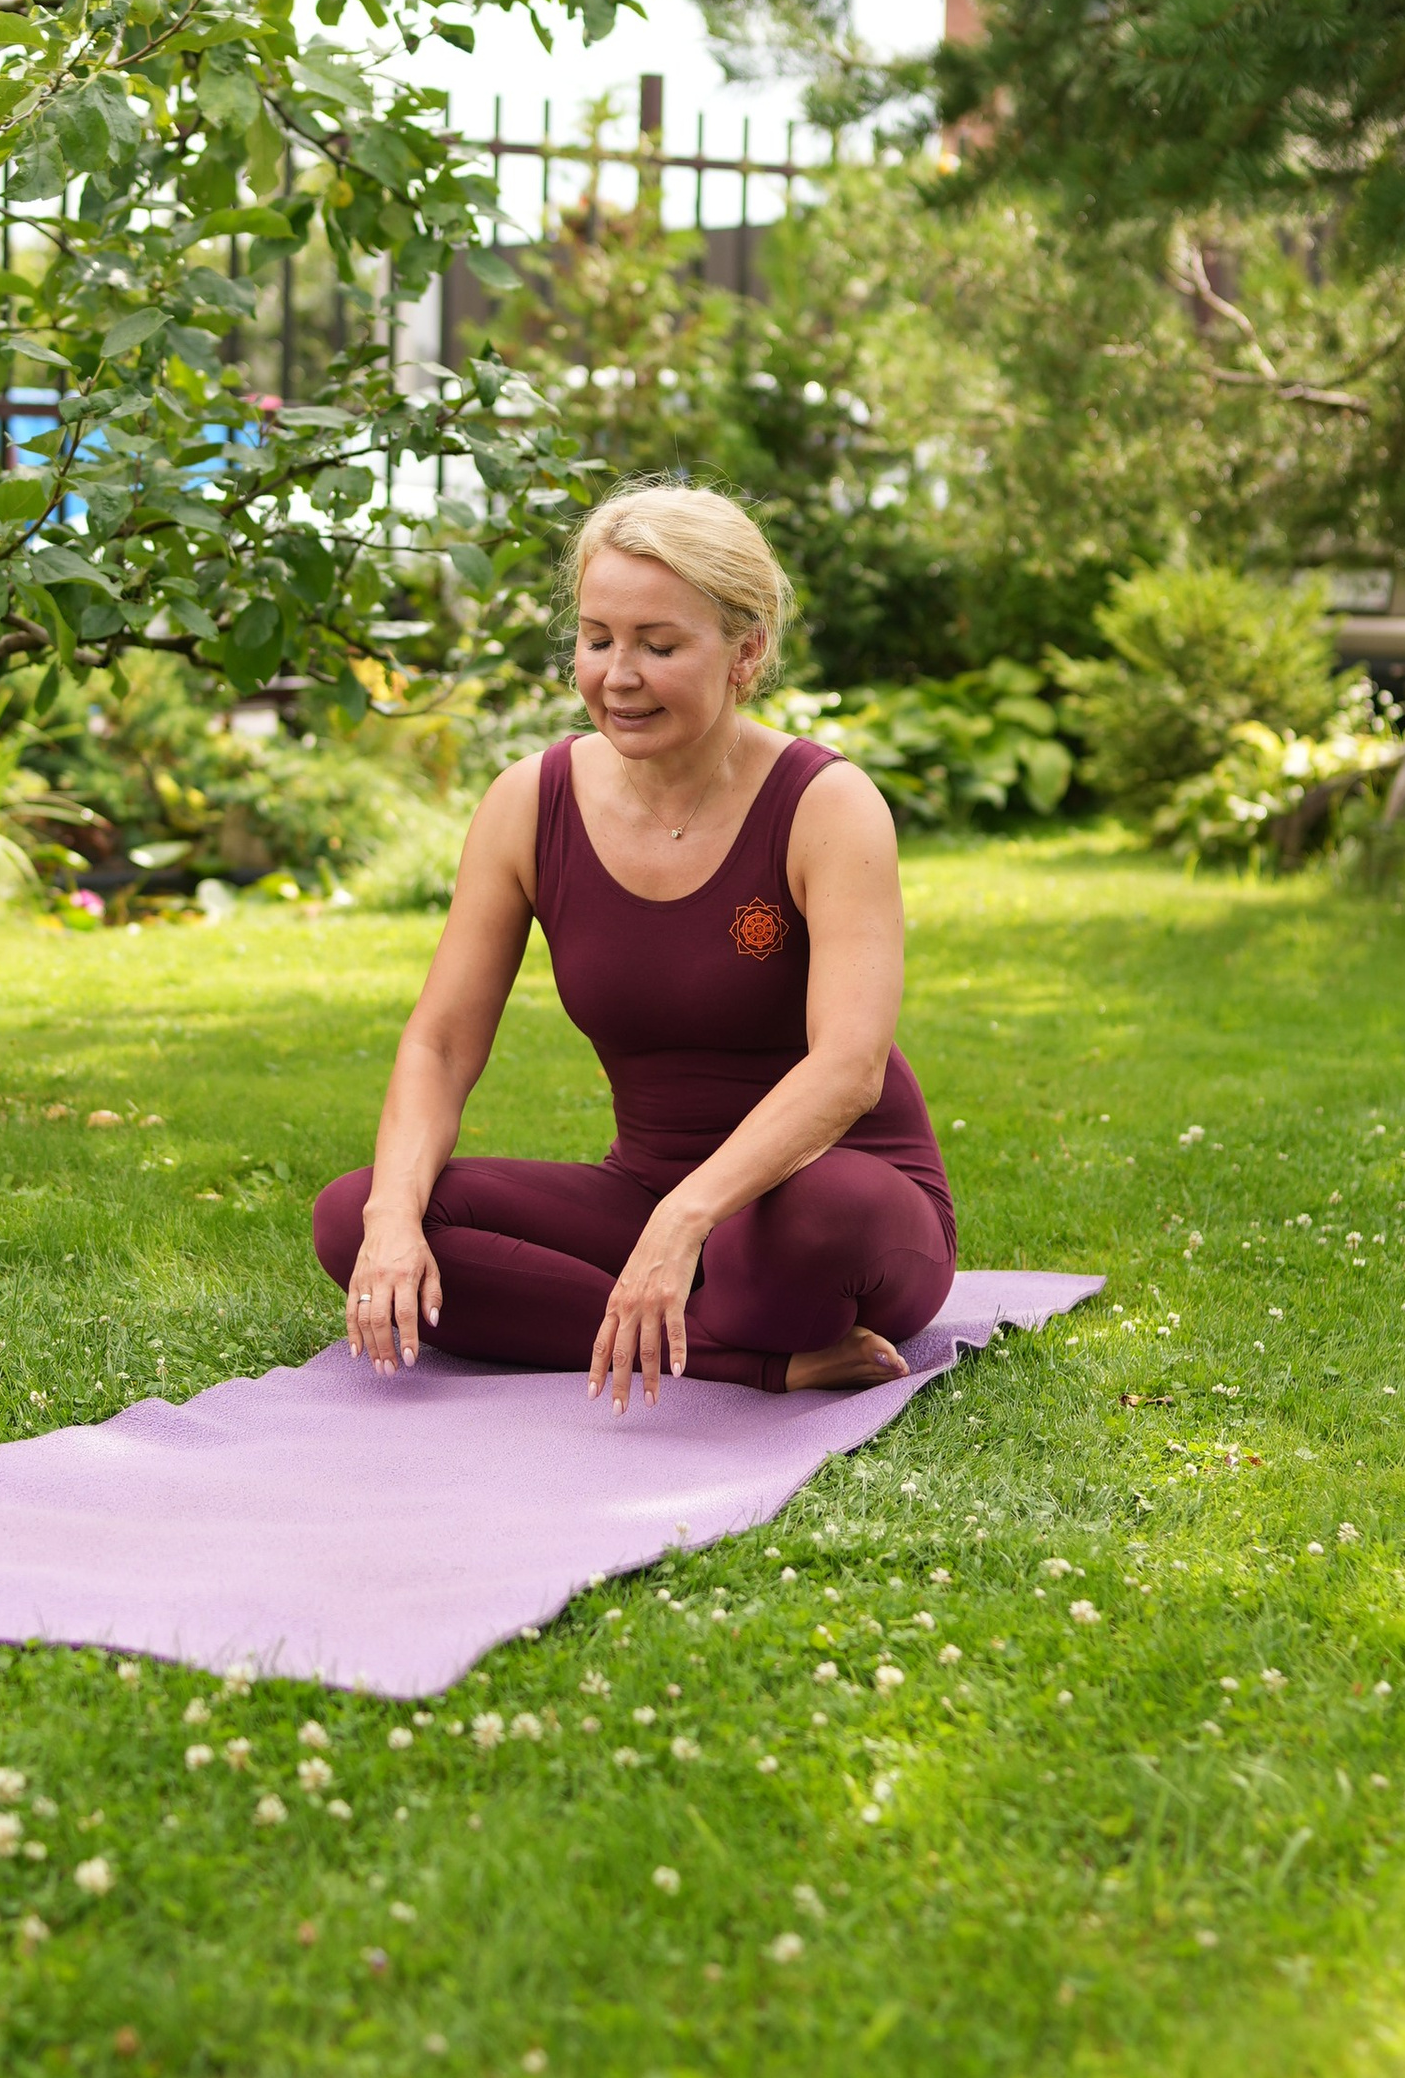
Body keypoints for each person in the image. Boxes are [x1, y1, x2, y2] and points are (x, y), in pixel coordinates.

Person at [313, 484, 957, 1406]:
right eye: (598, 639)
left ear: (747, 652)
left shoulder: (825, 804)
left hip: (832, 1197)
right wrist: (391, 1220)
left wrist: (687, 1217)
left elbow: (850, 1067)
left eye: (659, 646)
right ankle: (747, 1361)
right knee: (358, 1216)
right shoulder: (529, 804)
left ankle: (702, 1302)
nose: (618, 674)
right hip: (648, 1195)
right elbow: (442, 1042)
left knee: (810, 1229)